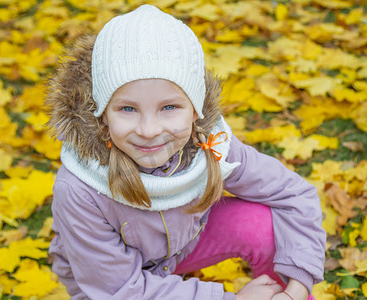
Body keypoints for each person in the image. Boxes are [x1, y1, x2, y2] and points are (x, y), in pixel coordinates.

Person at [46, 4, 326, 300]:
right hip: (110, 286)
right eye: (127, 109)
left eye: (169, 108)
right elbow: (119, 291)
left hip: (183, 245)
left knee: (263, 227)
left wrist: (297, 287)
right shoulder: (80, 188)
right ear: (102, 114)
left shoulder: (209, 143)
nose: (149, 130)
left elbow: (294, 193)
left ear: (195, 111)